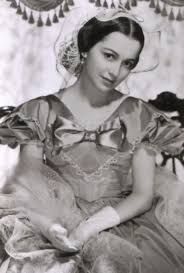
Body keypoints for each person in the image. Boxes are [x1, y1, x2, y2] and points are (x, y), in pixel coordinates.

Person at [0, 7, 184, 273]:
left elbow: (143, 195)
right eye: (109, 56)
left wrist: (88, 228)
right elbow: (29, 182)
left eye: (127, 63)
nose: (116, 71)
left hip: (121, 222)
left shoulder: (141, 115)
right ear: (86, 48)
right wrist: (49, 227)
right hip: (53, 218)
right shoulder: (39, 111)